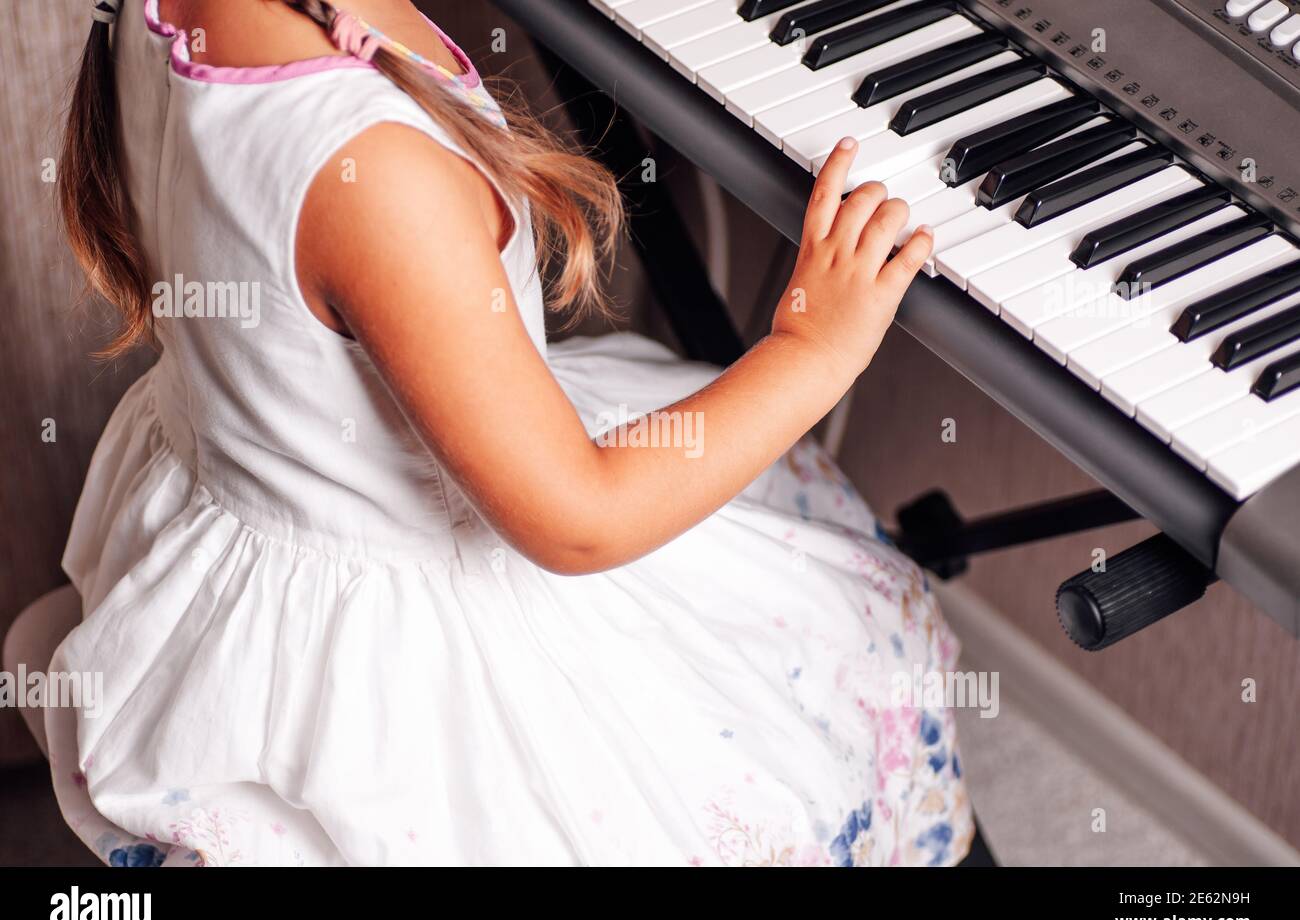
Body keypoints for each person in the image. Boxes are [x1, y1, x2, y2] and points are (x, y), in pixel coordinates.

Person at [42, 0, 971, 865]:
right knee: (851, 660)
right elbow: (579, 519)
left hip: (272, 491)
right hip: (443, 608)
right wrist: (812, 349)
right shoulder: (374, 173)